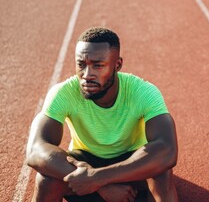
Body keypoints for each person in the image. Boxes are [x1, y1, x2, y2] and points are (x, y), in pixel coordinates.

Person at [26, 27, 178, 202]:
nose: (87, 75)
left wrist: (99, 178)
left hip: (130, 159)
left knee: (162, 176)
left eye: (98, 65)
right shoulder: (64, 92)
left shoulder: (142, 92)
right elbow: (36, 149)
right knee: (45, 180)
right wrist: (100, 184)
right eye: (81, 64)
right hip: (84, 161)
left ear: (118, 64)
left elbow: (167, 149)